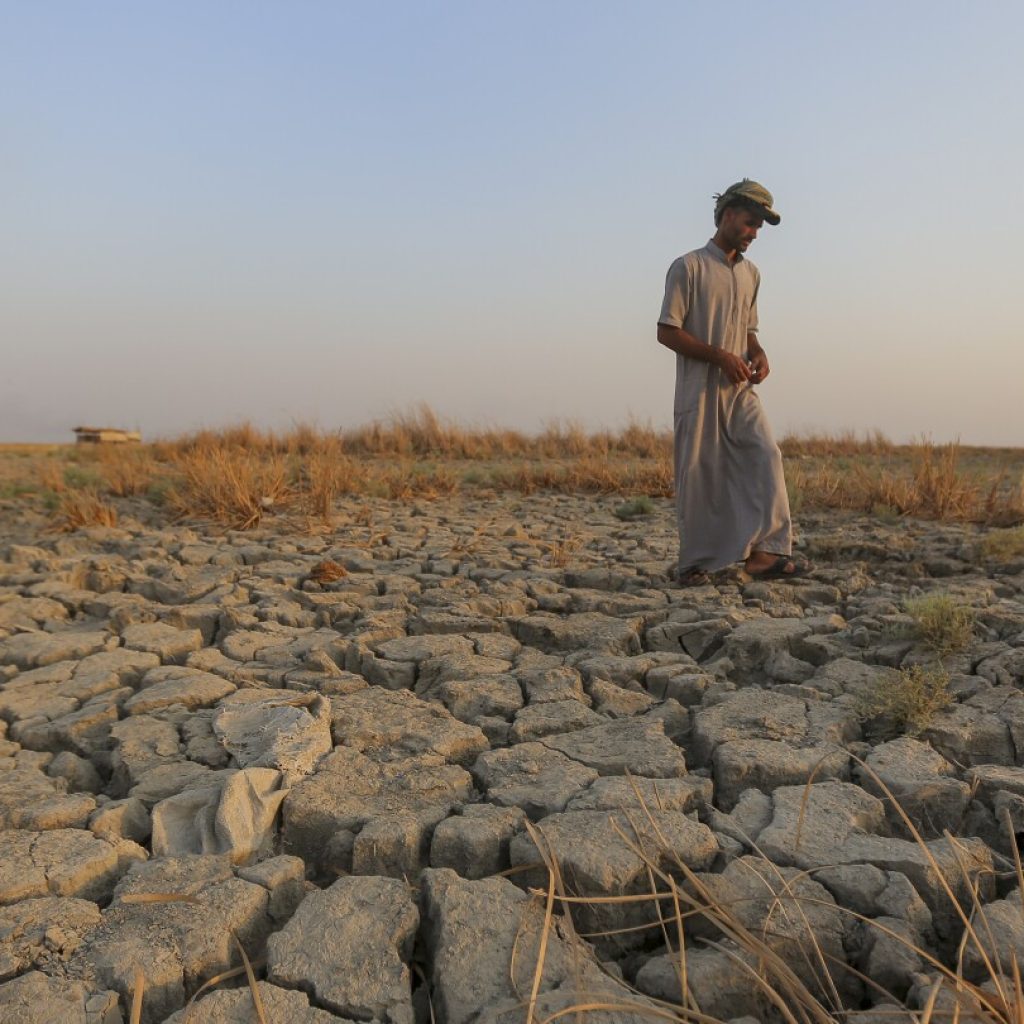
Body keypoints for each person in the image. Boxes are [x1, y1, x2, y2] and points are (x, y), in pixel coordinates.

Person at [656, 178, 805, 585]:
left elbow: (748, 329)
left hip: (740, 389)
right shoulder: (688, 266)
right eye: (750, 222)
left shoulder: (752, 274)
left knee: (765, 454)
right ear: (726, 214)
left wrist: (756, 351)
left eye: (759, 227)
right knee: (701, 471)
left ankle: (766, 553)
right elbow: (667, 331)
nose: (754, 233)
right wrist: (719, 356)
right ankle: (695, 566)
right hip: (699, 388)